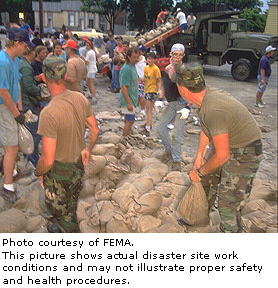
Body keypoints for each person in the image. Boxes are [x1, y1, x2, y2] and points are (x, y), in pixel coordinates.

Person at [175, 62, 264, 233]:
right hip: (230, 143)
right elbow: (207, 129)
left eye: (177, 84)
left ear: (183, 89)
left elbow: (222, 155)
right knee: (206, 180)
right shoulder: (205, 98)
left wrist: (199, 172)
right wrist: (199, 156)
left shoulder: (213, 108)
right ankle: (198, 216)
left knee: (227, 204)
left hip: (246, 152)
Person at [35, 56, 99, 233]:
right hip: (77, 165)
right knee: (70, 203)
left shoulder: (48, 113)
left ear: (44, 78)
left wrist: (39, 173)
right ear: (64, 76)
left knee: (61, 210)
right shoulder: (80, 98)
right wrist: (87, 149)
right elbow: (94, 130)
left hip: (59, 173)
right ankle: (63, 223)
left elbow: (47, 160)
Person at [0, 28, 35, 203]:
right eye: (24, 46)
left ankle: (12, 172)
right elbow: (3, 92)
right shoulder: (3, 62)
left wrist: (20, 107)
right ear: (16, 43)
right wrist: (15, 113)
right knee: (11, 147)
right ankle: (7, 187)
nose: (26, 50)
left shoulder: (14, 60)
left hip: (12, 105)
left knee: (12, 142)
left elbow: (17, 84)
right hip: (3, 106)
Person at [156, 43, 191, 171]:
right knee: (160, 127)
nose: (177, 57)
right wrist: (160, 98)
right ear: (171, 54)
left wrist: (188, 107)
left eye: (180, 55)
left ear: (183, 56)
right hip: (171, 103)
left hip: (183, 103)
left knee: (176, 134)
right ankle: (169, 151)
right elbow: (166, 85)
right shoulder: (168, 69)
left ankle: (176, 160)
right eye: (175, 54)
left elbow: (193, 90)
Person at [19, 44, 41, 167]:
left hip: (23, 101)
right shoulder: (27, 68)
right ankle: (32, 161)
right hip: (28, 103)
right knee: (33, 134)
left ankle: (29, 159)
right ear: (32, 52)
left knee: (27, 133)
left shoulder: (20, 63)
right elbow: (28, 86)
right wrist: (40, 91)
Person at [119, 47, 140, 138]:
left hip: (132, 97)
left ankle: (127, 133)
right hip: (128, 98)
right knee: (130, 119)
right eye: (134, 57)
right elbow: (123, 87)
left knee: (128, 118)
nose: (136, 59)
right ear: (128, 56)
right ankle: (124, 137)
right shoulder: (126, 69)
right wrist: (129, 103)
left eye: (137, 57)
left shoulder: (132, 66)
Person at [142, 52, 162, 136]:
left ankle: (147, 127)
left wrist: (159, 91)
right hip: (146, 89)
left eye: (151, 58)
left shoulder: (156, 69)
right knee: (148, 110)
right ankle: (148, 124)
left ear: (154, 59)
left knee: (149, 109)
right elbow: (145, 79)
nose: (149, 60)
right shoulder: (146, 68)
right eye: (148, 58)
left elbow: (159, 81)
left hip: (152, 90)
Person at [80, 38, 98, 104]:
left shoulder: (89, 52)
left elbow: (86, 62)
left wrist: (82, 58)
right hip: (92, 69)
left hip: (91, 69)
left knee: (91, 83)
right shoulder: (92, 52)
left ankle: (93, 98)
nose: (86, 46)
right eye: (86, 45)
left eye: (87, 45)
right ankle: (91, 94)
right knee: (88, 82)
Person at [135, 44, 147, 117]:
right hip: (139, 79)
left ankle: (142, 110)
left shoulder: (141, 59)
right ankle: (137, 108)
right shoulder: (142, 58)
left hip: (140, 79)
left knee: (140, 96)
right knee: (138, 95)